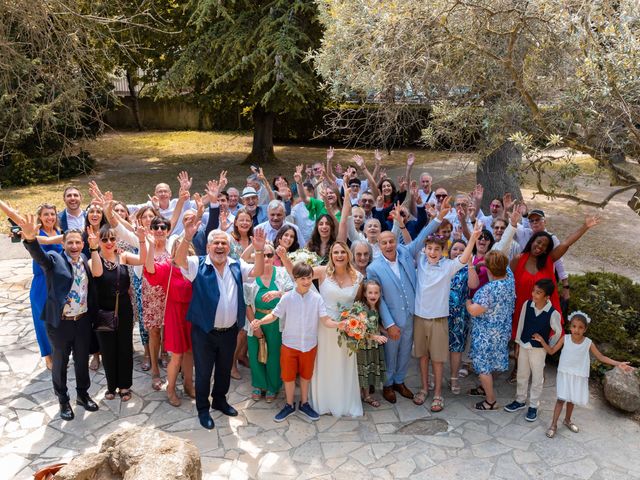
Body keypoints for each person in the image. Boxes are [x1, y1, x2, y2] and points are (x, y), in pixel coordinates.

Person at [175, 219, 266, 430]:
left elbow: (257, 272)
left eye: (224, 243)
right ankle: (203, 409)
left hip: (229, 331)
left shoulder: (236, 264)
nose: (219, 247)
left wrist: (259, 251)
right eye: (215, 243)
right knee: (205, 372)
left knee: (224, 369)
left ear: (229, 247)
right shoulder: (198, 264)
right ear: (208, 247)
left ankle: (220, 400)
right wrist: (187, 237)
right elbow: (179, 260)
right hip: (204, 332)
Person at [366, 198, 450, 404]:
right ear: (379, 244)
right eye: (384, 242)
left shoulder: (404, 252)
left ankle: (400, 381)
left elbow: (422, 237)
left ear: (396, 242)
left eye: (391, 241)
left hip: (413, 315)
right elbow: (379, 300)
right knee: (390, 352)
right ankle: (387, 384)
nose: (388, 245)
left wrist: (438, 217)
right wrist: (389, 323)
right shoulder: (374, 268)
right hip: (393, 319)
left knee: (405, 351)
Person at [20, 215, 99, 421]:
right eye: (70, 242)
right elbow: (40, 257)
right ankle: (63, 400)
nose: (74, 245)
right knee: (60, 363)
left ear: (83, 244)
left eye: (77, 242)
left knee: (82, 361)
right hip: (60, 324)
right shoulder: (55, 260)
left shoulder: (84, 260)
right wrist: (30, 240)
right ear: (63, 244)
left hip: (82, 321)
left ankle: (82, 394)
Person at [251, 262, 345, 422]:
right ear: (295, 278)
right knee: (288, 376)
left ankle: (304, 403)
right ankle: (288, 405)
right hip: (289, 344)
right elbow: (274, 315)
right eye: (303, 278)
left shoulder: (317, 299)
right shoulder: (287, 298)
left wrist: (339, 325)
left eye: (309, 278)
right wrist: (259, 322)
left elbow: (325, 320)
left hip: (309, 345)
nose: (307, 282)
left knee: (306, 375)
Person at [413, 221, 481, 411]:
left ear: (444, 250)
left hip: (438, 320)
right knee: (423, 356)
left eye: (437, 249)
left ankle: (437, 394)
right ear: (425, 249)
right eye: (429, 248)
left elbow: (465, 257)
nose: (432, 252)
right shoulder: (420, 261)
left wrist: (473, 237)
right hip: (419, 318)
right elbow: (415, 242)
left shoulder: (448, 267)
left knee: (437, 358)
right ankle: (425, 388)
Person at [534, 311, 634, 438]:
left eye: (580, 327)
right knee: (561, 400)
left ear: (585, 329)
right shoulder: (565, 339)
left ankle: (567, 420)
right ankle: (553, 424)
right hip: (565, 374)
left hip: (578, 375)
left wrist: (618, 363)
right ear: (570, 327)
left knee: (572, 400)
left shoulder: (588, 343)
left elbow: (601, 357)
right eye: (574, 326)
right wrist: (542, 341)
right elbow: (552, 351)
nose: (577, 330)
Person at [0, 200, 62, 370]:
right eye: (46, 214)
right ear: (40, 217)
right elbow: (13, 215)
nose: (49, 217)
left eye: (52, 214)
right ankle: (47, 356)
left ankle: (58, 351)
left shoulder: (60, 231)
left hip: (58, 283)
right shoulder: (34, 231)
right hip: (42, 282)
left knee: (58, 320)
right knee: (42, 320)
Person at [88, 226, 141, 402]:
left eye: (112, 239)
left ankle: (125, 385)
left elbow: (142, 259)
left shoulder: (123, 257)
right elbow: (97, 273)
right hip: (103, 311)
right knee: (108, 350)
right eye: (104, 239)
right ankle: (111, 385)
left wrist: (141, 239)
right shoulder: (93, 259)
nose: (109, 242)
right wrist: (94, 249)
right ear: (99, 242)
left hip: (124, 309)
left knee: (125, 348)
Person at [142, 229, 195, 407]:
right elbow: (150, 270)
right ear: (173, 251)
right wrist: (150, 246)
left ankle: (188, 384)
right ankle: (170, 388)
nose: (182, 253)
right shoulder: (168, 267)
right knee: (177, 355)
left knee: (190, 352)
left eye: (186, 249)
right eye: (179, 249)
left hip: (191, 314)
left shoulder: (194, 267)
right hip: (175, 315)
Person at [504, 279, 562, 422]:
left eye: (538, 293)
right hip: (524, 345)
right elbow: (521, 324)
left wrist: (547, 344)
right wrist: (517, 343)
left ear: (547, 296)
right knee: (522, 374)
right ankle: (520, 400)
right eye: (534, 291)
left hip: (538, 350)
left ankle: (533, 406)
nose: (534, 295)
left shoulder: (553, 313)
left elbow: (558, 332)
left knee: (537, 378)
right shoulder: (527, 305)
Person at [465, 251, 515, 411]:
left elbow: (475, 310)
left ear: (489, 270)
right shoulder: (510, 281)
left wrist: (467, 301)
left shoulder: (488, 289)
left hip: (486, 335)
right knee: (493, 363)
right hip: (502, 332)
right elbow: (506, 267)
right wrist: (485, 264)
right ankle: (483, 388)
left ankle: (490, 401)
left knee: (483, 367)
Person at [244, 243, 293, 403]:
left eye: (269, 255)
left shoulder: (281, 273)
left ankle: (273, 386)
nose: (266, 258)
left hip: (276, 320)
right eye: (262, 255)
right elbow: (246, 303)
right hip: (256, 319)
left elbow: (293, 291)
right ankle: (259, 385)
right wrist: (254, 324)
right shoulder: (250, 275)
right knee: (255, 353)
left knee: (274, 355)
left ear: (274, 257)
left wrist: (278, 293)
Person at [447, 239, 479, 394]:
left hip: (460, 315)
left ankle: (454, 378)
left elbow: (473, 285)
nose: (458, 252)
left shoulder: (467, 269)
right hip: (441, 312)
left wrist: (471, 264)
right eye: (455, 249)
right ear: (449, 251)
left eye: (462, 249)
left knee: (456, 348)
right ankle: (434, 377)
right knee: (436, 348)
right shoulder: (444, 266)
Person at [354, 279, 388, 408]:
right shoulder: (361, 309)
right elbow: (358, 330)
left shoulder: (376, 307)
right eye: (370, 293)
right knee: (363, 370)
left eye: (376, 293)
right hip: (364, 346)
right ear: (364, 293)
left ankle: (367, 395)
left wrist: (384, 330)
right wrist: (374, 337)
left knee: (369, 370)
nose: (373, 296)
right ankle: (360, 395)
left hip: (373, 346)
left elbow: (375, 324)